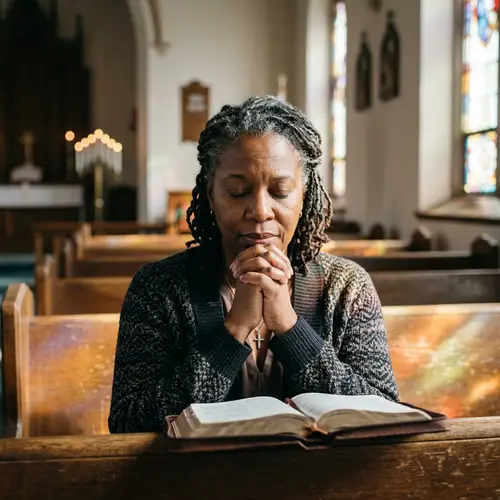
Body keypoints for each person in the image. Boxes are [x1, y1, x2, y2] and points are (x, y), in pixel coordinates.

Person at [108, 96, 398, 434]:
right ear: (210, 194)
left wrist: (289, 327)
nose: (260, 210)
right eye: (237, 191)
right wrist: (234, 330)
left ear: (304, 195)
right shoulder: (158, 287)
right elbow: (128, 422)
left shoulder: (347, 287)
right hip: (197, 486)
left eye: (280, 191)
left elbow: (385, 413)